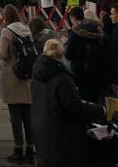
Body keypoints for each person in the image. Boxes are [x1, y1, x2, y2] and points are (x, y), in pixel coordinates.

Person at [31, 38, 105, 167]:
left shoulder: (38, 72)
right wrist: (100, 110)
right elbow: (73, 107)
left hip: (42, 127)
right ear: (61, 55)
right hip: (61, 133)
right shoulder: (62, 78)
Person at [0, 5, 34, 164]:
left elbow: (4, 54)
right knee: (28, 116)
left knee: (15, 117)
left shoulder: (7, 31)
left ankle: (18, 149)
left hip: (12, 76)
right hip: (27, 76)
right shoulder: (26, 29)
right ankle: (30, 150)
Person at [65, 7, 111, 102]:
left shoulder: (75, 32)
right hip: (97, 69)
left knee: (82, 98)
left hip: (80, 71)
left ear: (72, 18)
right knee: (94, 97)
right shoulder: (96, 29)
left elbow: (68, 54)